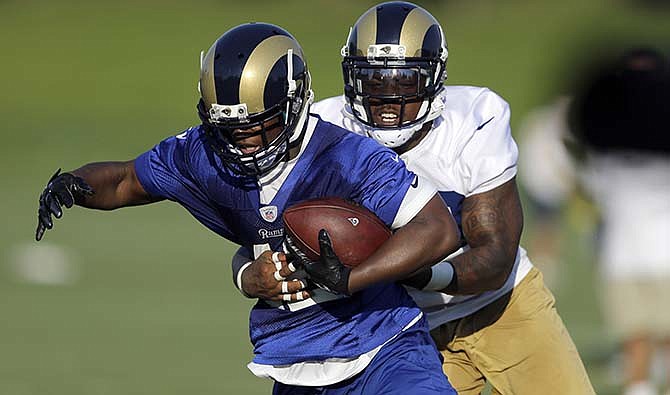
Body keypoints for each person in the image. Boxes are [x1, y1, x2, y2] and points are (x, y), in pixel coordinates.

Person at [35, 22, 461, 394]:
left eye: (261, 123)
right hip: (293, 358)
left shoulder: (347, 156)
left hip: (385, 347)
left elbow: (437, 229)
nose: (245, 139)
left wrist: (352, 277)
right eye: (230, 128)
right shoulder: (204, 153)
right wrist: (76, 185)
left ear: (296, 101)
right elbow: (127, 179)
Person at [306, 2, 595, 394]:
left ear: (433, 78)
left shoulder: (474, 119)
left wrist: (408, 270)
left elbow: (495, 257)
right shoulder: (326, 130)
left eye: (404, 81)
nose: (388, 100)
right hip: (407, 328)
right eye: (374, 81)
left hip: (502, 305)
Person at [566, 47, 669, 395]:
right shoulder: (607, 160)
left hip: (631, 260)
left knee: (638, 341)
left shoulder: (603, 160)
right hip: (632, 260)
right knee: (640, 342)